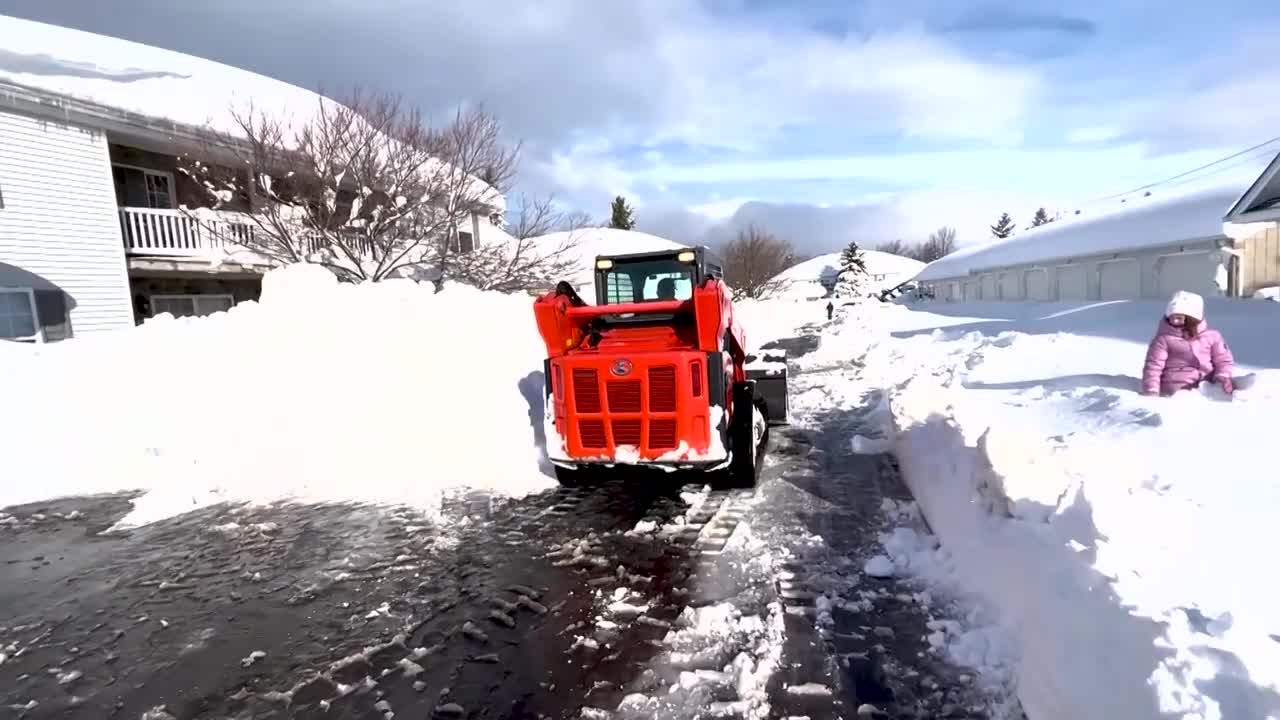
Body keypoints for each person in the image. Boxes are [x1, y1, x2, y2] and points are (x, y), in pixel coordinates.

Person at [1141, 290, 1235, 397]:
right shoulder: (1163, 339)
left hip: (1207, 389)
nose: (1175, 321)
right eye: (1172, 317)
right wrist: (1151, 390)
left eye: (1179, 318)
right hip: (1175, 392)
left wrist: (1222, 377)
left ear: (1193, 319)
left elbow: (1223, 361)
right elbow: (1153, 367)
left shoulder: (1212, 337)